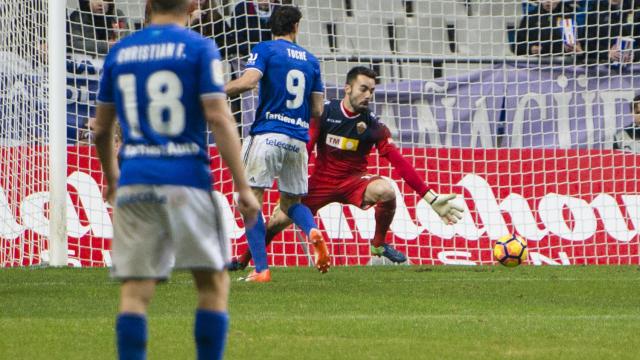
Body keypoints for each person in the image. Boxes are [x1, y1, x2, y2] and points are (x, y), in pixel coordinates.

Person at [93, 1, 259, 359]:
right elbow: (218, 117)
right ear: (194, 5)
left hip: (135, 180)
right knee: (212, 283)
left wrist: (111, 177)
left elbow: (100, 129)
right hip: (187, 179)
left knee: (135, 291)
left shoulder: (120, 51)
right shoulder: (199, 47)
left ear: (149, 5)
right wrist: (243, 187)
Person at [229, 67, 465, 270]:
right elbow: (308, 146)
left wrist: (431, 198)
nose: (368, 95)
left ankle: (379, 245)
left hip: (355, 181)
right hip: (321, 182)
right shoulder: (326, 113)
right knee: (274, 223)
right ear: (347, 88)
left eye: (372, 91)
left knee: (387, 191)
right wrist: (293, 178)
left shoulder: (373, 125)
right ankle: (244, 260)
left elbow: (398, 161)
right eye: (363, 88)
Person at [225, 6, 329, 282]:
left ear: (272, 27)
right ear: (296, 26)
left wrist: (215, 91)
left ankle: (261, 269)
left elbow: (249, 82)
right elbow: (318, 109)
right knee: (291, 202)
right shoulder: (311, 61)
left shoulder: (266, 49)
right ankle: (312, 231)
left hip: (268, 133)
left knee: (250, 201)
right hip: (298, 139)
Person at [512, 0, 582, 56]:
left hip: (562, 66)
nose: (548, 1)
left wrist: (570, 48)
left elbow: (578, 46)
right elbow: (515, 47)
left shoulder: (570, 16)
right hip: (535, 67)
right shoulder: (530, 17)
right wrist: (530, 49)